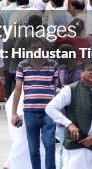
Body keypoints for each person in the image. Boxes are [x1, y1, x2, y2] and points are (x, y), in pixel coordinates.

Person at [46, 60, 92, 169]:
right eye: (90, 70)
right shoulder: (70, 89)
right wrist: (69, 124)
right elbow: (50, 108)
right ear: (81, 72)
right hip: (76, 145)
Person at [11, 38, 58, 169]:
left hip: (49, 111)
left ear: (44, 49)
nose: (37, 50)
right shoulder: (23, 65)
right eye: (33, 48)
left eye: (39, 47)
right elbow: (18, 89)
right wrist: (14, 113)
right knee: (34, 148)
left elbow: (56, 87)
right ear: (28, 50)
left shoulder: (52, 64)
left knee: (50, 144)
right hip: (30, 111)